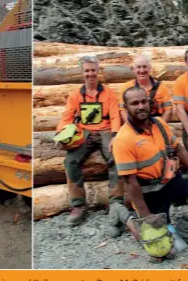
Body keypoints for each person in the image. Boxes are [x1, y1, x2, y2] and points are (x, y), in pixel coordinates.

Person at [110, 86, 188, 247]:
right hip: (148, 193)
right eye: (134, 103)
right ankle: (124, 216)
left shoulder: (160, 124)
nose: (140, 106)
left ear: (149, 102)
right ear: (126, 108)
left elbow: (180, 150)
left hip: (170, 182)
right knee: (161, 248)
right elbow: (130, 183)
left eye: (143, 101)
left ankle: (185, 226)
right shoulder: (123, 140)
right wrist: (146, 215)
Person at [55, 56, 122, 227]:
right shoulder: (75, 95)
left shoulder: (109, 93)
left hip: (105, 130)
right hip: (84, 131)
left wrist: (114, 136)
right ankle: (78, 205)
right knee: (70, 161)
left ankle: (116, 202)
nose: (90, 74)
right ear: (82, 73)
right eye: (87, 71)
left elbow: (115, 116)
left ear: (98, 71)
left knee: (118, 159)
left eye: (93, 70)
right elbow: (67, 117)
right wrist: (62, 133)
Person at [118, 54, 173, 123]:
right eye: (139, 67)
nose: (142, 70)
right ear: (133, 69)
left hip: (156, 124)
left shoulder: (161, 87)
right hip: (135, 125)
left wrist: (160, 127)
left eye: (145, 67)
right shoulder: (126, 87)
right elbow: (122, 111)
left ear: (150, 68)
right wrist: (133, 128)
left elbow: (168, 110)